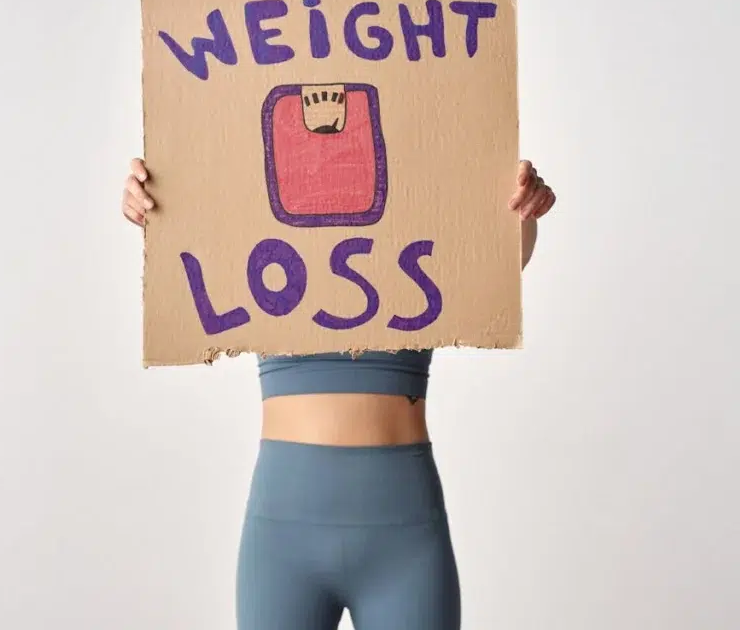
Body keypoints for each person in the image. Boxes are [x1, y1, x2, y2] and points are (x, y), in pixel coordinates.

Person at [121, 157, 556, 630]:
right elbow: (194, 224)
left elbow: (502, 257)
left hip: (403, 532)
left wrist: (523, 205)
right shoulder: (260, 187)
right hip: (285, 535)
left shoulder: (423, 186)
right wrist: (152, 204)